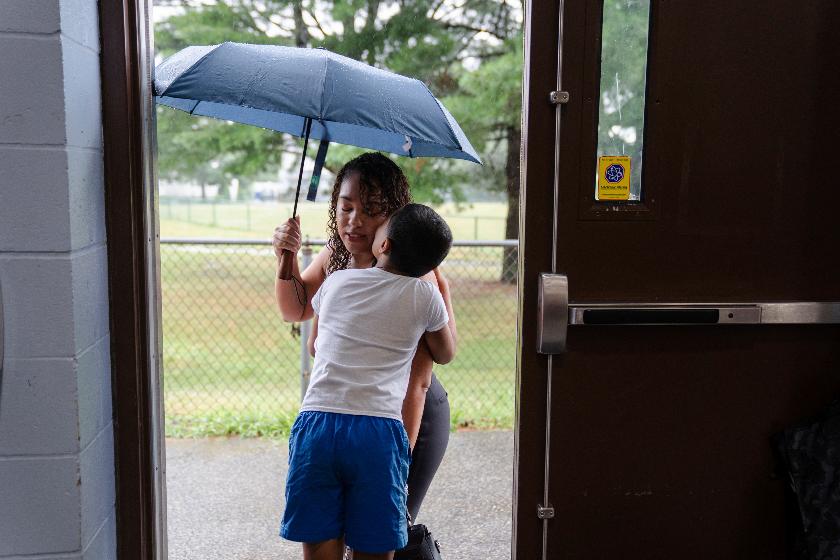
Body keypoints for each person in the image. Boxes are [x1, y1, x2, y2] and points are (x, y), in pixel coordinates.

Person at [272, 152, 451, 522]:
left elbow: (417, 383)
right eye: (346, 207)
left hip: (403, 412)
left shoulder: (413, 277)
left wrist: (399, 460)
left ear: (394, 217)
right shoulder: (338, 255)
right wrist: (285, 258)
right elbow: (296, 307)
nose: (354, 222)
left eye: (371, 210)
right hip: (349, 413)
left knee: (385, 533)